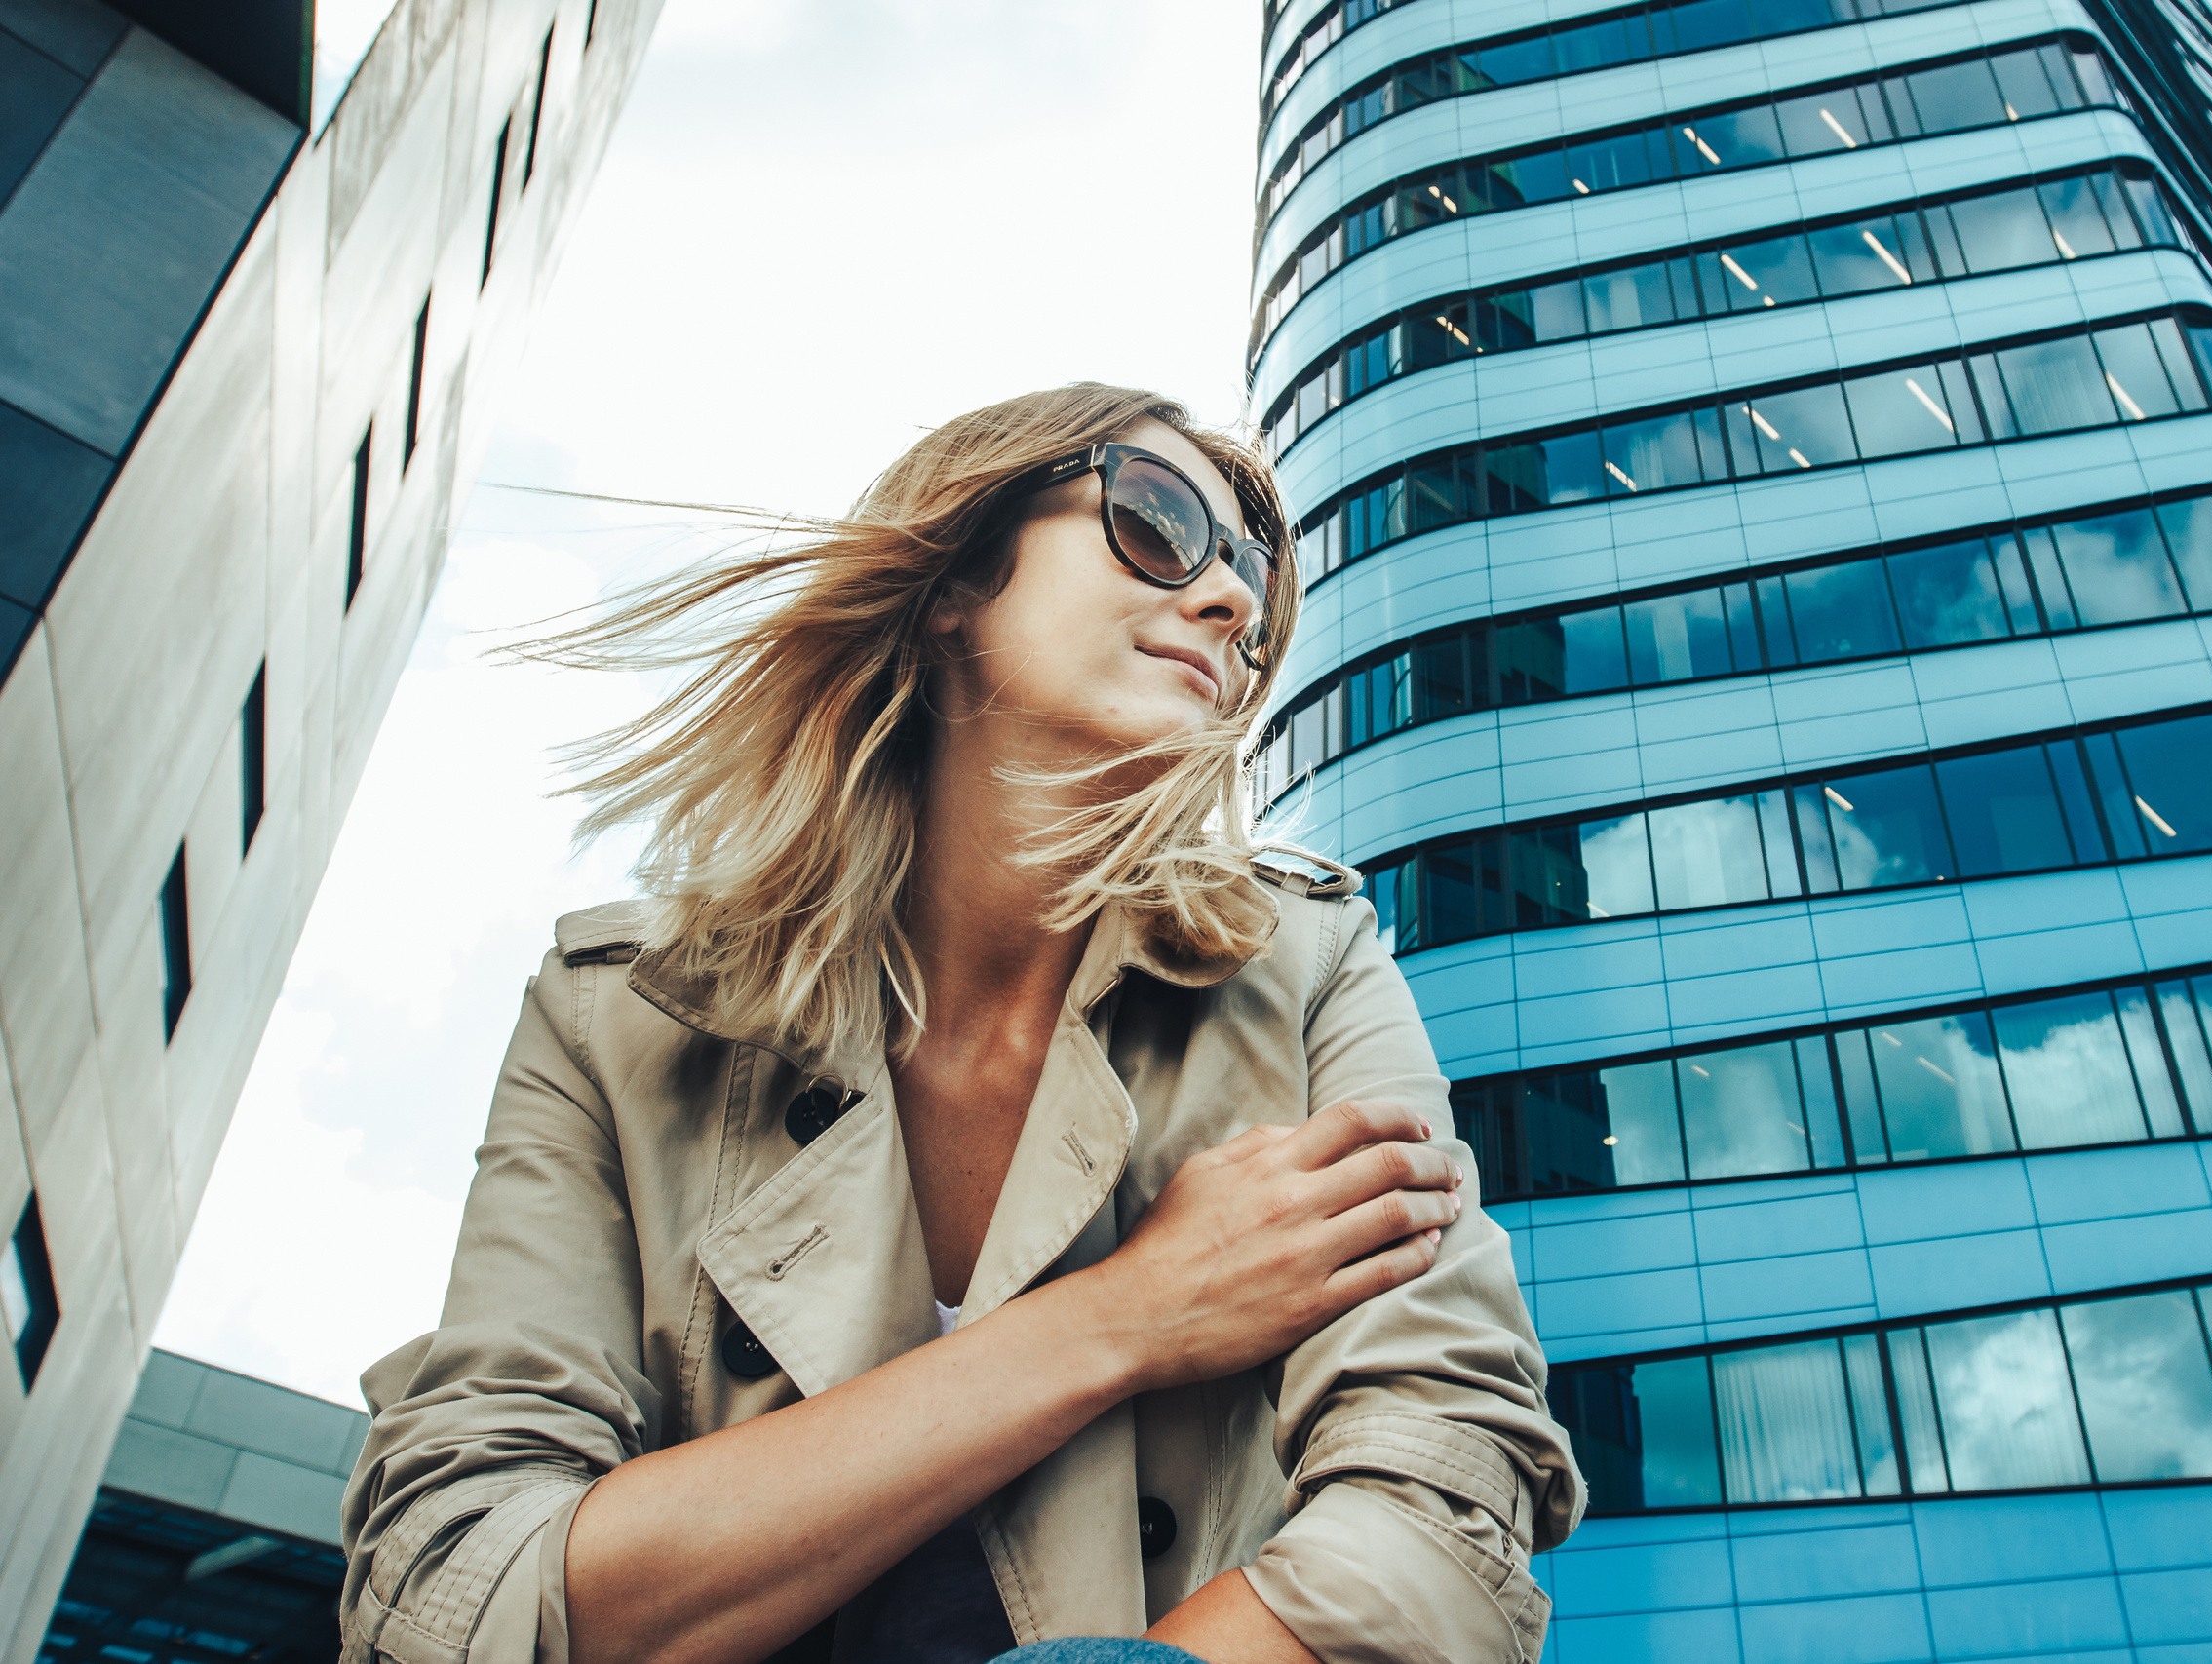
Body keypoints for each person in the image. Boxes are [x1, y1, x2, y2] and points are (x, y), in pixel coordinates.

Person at [338, 384, 1582, 1664]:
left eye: (1253, 595)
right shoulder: (617, 1020)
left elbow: (1447, 1500)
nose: (1231, 604)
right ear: (953, 580)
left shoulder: (1309, 960)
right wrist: (1126, 1318)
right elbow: (453, 1599)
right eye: (1156, 524)